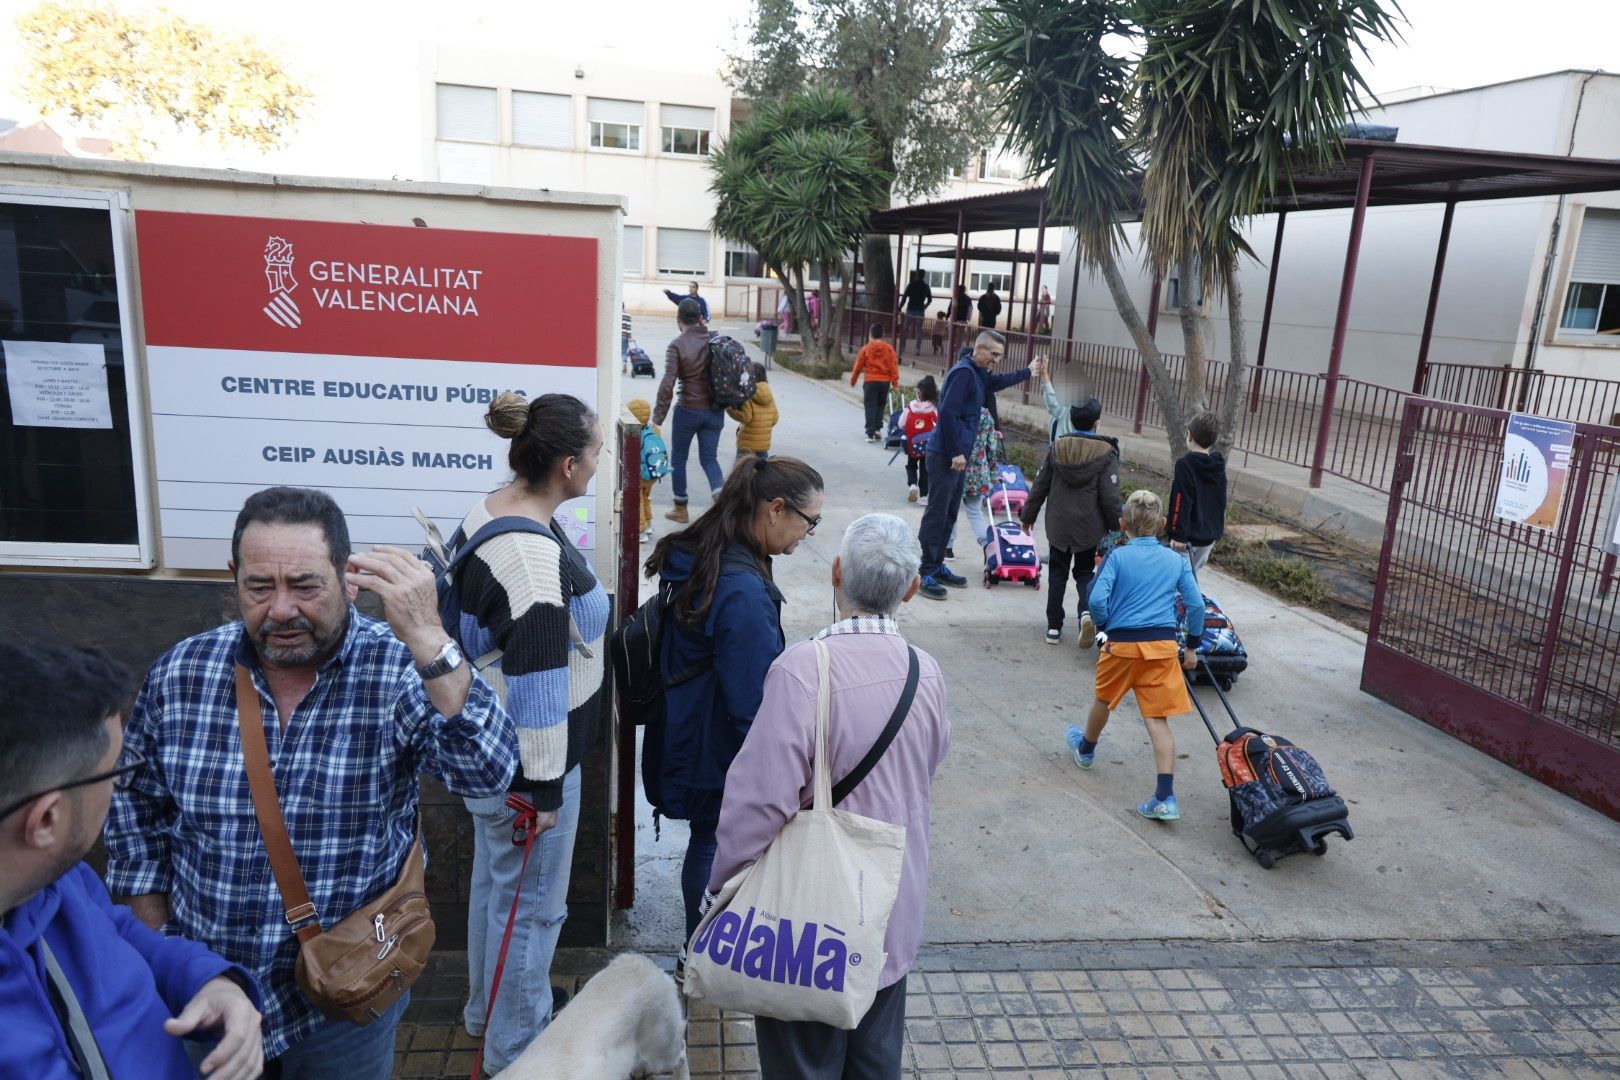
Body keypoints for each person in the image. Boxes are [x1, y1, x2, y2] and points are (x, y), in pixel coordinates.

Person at [105, 486, 517, 1077]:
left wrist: (429, 636)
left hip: (345, 1003)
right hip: (203, 997)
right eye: (259, 587)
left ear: (348, 579)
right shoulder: (181, 674)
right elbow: (135, 818)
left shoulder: (398, 668)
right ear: (234, 578)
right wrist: (163, 955)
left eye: (305, 586)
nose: (280, 610)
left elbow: (489, 774)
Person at [709, 514, 950, 1080]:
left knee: (803, 1063)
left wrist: (723, 889)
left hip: (808, 927)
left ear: (836, 573)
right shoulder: (927, 672)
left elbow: (758, 802)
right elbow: (930, 762)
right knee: (874, 1061)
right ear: (911, 590)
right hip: (892, 907)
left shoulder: (802, 671)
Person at [1, 642, 264, 1080]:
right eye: (114, 771)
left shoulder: (60, 879)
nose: (123, 784)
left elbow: (115, 933)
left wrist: (212, 981)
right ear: (47, 819)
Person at [453, 393, 612, 1076]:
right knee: (535, 910)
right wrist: (544, 790)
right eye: (598, 453)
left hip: (487, 746)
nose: (601, 463)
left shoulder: (498, 507)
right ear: (571, 465)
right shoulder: (530, 562)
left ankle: (485, 1013)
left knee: (498, 885)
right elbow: (542, 688)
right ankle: (514, 1052)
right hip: (529, 769)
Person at [642, 457, 825, 972]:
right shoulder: (742, 589)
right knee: (714, 844)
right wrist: (780, 774)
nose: (809, 534)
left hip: (689, 728)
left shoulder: (712, 548)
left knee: (707, 840)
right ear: (775, 509)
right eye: (809, 522)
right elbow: (753, 702)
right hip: (714, 744)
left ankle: (697, 949)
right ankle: (702, 954)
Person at [1066, 490, 1204, 822]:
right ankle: (1165, 797)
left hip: (1122, 646)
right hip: (1161, 649)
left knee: (1104, 699)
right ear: (1160, 524)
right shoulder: (1175, 560)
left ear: (1122, 524)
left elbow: (1096, 599)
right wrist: (1191, 646)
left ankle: (1085, 750)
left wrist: (1106, 624)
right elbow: (1196, 605)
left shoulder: (1117, 556)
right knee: (1157, 719)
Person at [916, 331, 1040, 601]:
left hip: (960, 457)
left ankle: (936, 565)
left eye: (1000, 356)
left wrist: (1027, 372)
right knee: (937, 513)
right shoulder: (963, 373)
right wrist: (957, 451)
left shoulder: (978, 373)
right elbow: (947, 412)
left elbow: (998, 382)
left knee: (950, 512)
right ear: (980, 348)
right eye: (994, 354)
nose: (997, 360)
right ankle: (923, 570)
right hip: (947, 455)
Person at [1020, 397, 1122, 647]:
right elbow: (1110, 498)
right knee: (1085, 572)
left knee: (1057, 573)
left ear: (1071, 419)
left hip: (1058, 523)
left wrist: (1028, 516)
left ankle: (1053, 628)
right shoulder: (1106, 453)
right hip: (1089, 526)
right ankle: (1086, 614)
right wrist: (1117, 529)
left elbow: (1040, 484)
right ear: (1096, 424)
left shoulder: (1057, 447)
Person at [653, 297, 726, 524]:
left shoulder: (677, 345)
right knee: (709, 458)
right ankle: (723, 505)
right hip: (715, 411)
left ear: (679, 319)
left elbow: (668, 383)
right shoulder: (716, 338)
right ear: (700, 317)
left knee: (679, 458)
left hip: (687, 410)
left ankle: (681, 508)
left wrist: (658, 418)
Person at [1167, 411, 1229, 578]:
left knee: (1181, 584)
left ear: (1189, 436)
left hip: (1187, 540)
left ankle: (1193, 604)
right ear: (1214, 441)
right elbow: (1220, 501)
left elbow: (1181, 501)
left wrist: (1178, 533)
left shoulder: (1185, 465)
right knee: (1190, 577)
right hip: (1209, 537)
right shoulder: (1218, 467)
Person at [850, 322, 900, 442]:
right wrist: (895, 384)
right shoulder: (889, 349)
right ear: (883, 334)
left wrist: (853, 380)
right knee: (880, 405)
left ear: (870, 334)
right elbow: (893, 366)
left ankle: (870, 433)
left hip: (870, 381)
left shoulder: (866, 348)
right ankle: (877, 428)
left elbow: (858, 366)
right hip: (884, 382)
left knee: (870, 406)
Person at [728, 362, 779, 461]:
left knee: (740, 475)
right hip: (763, 446)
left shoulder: (748, 393)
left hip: (746, 446)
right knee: (762, 475)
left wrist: (729, 408)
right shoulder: (768, 393)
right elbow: (775, 419)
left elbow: (746, 417)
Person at [901, 374, 939, 503]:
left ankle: (912, 485)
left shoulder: (910, 407)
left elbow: (901, 423)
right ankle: (924, 496)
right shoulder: (933, 408)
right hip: (928, 444)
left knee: (911, 464)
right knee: (925, 468)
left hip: (912, 443)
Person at [628, 397, 660, 541]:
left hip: (641, 473)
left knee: (638, 500)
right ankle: (649, 523)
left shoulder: (636, 433)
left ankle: (641, 530)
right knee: (646, 497)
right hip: (653, 472)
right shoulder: (654, 429)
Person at [899, 269, 933, 357]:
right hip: (920, 310)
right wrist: (925, 306)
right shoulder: (926, 286)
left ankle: (902, 347)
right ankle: (917, 349)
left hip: (910, 309)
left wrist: (900, 307)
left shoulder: (911, 285)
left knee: (905, 328)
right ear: (924, 276)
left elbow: (905, 297)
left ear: (917, 275)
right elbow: (930, 299)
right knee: (919, 330)